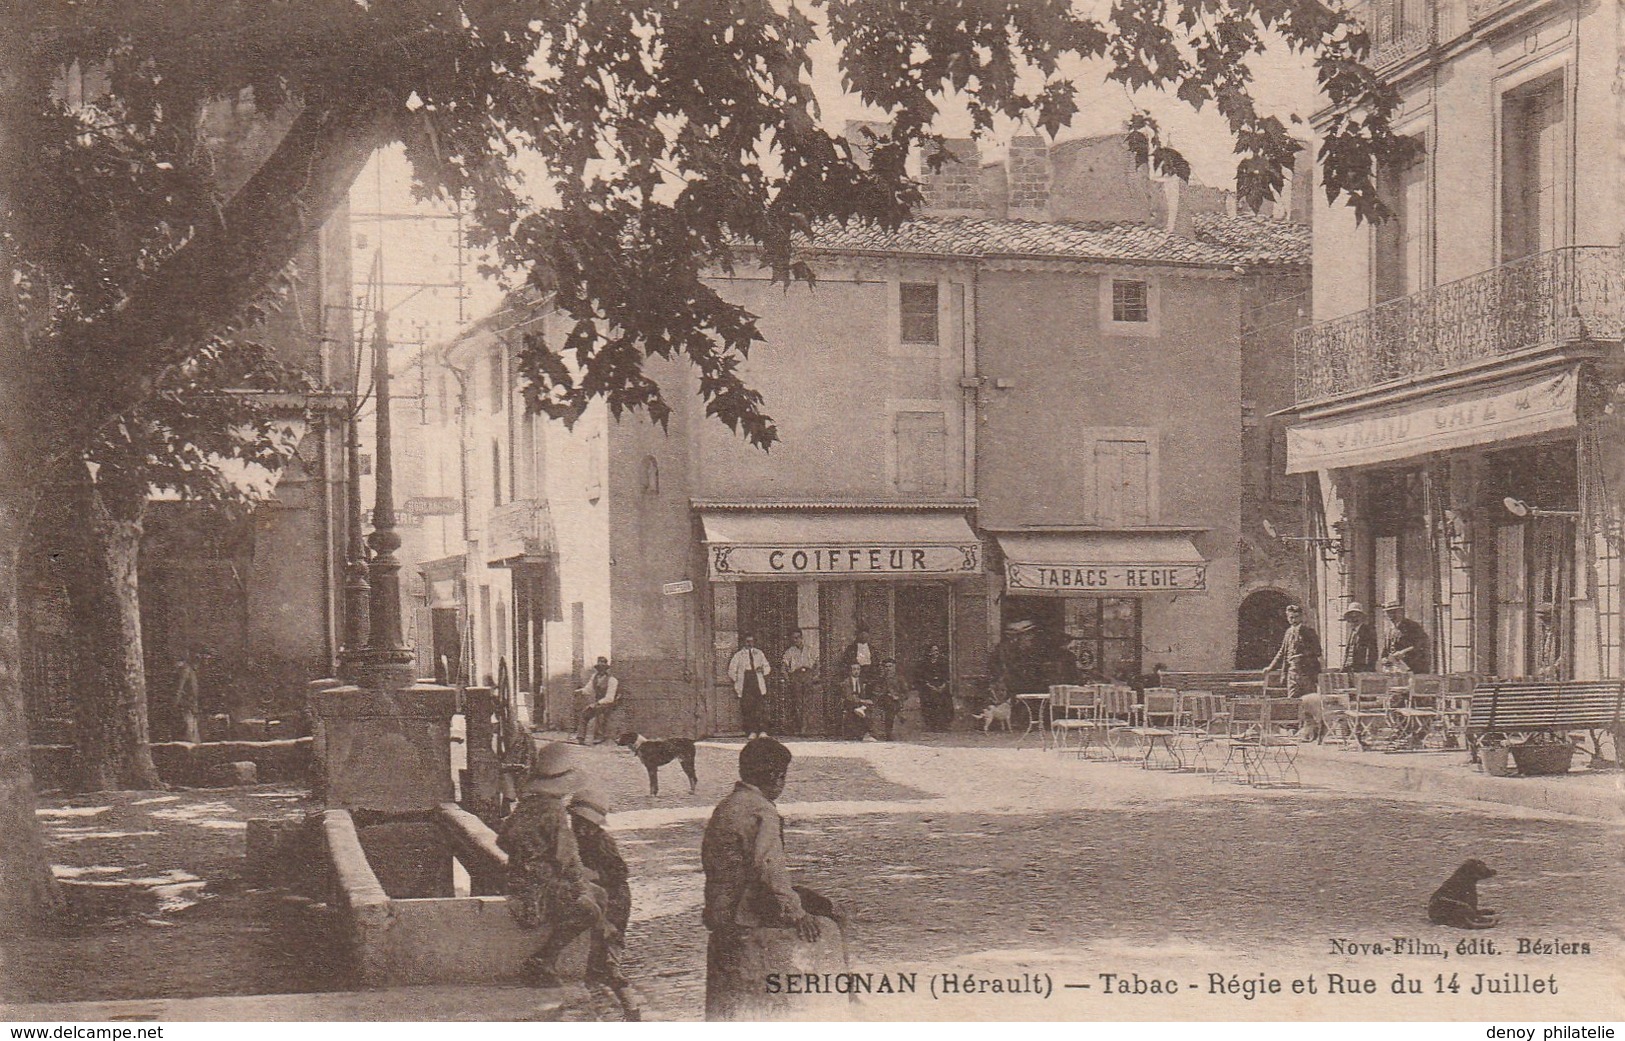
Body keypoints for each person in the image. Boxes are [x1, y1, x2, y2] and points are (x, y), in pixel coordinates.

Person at [702, 738, 830, 1020]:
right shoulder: (762, 810)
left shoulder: (727, 805)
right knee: (830, 914)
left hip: (718, 907)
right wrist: (797, 913)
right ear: (776, 776)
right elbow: (769, 867)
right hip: (743, 910)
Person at [497, 742, 616, 987]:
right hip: (538, 887)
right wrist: (580, 888)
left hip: (518, 878)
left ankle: (597, 962)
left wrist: (528, 854)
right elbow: (567, 860)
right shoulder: (554, 811)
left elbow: (503, 840)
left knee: (599, 896)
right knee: (590, 910)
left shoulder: (526, 806)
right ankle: (545, 959)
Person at [567, 788, 634, 1005]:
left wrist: (595, 875)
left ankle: (615, 973)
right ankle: (599, 972)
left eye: (586, 824)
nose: (581, 828)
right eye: (577, 822)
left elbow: (620, 872)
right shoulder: (572, 839)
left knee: (611, 935)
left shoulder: (603, 842)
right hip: (593, 894)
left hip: (615, 895)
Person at [1263, 603, 1322, 699]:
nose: (1294, 620)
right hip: (1292, 673)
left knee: (1309, 700)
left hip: (1307, 673)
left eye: (1296, 617)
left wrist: (1301, 656)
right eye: (1291, 618)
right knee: (1292, 700)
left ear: (1302, 617)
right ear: (1287, 618)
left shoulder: (1309, 632)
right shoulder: (1288, 632)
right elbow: (1281, 652)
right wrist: (1270, 667)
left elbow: (1318, 651)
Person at [728, 635, 772, 740]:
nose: (749, 643)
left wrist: (763, 669)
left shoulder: (759, 653)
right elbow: (731, 670)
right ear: (744, 642)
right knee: (748, 708)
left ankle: (762, 730)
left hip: (757, 681)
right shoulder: (738, 655)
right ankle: (752, 731)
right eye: (747, 641)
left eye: (751, 641)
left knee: (760, 707)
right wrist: (737, 680)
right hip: (746, 683)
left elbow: (767, 667)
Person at [780, 630, 818, 737]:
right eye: (794, 638)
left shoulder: (810, 650)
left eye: (797, 638)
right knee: (798, 703)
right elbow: (784, 667)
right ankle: (799, 727)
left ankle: (808, 727)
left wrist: (814, 676)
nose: (795, 640)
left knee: (808, 702)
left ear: (802, 638)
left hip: (808, 676)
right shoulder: (790, 651)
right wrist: (788, 679)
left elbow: (817, 664)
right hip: (796, 677)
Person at [576, 657, 621, 745]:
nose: (600, 671)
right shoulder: (594, 677)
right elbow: (589, 689)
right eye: (599, 668)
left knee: (597, 711)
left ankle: (600, 736)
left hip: (610, 703)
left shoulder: (612, 680)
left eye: (602, 668)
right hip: (599, 703)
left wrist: (596, 703)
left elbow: (610, 698)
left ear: (606, 669)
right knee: (585, 713)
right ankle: (581, 737)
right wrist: (580, 691)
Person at [1380, 601, 1432, 674]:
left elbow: (1421, 644)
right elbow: (1386, 649)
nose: (1391, 616)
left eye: (1394, 612)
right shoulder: (1390, 630)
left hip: (1413, 667)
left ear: (1400, 612)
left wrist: (1403, 652)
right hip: (1397, 669)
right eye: (1389, 613)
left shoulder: (1412, 626)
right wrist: (1384, 658)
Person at [869, 658, 908, 741]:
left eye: (890, 666)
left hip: (896, 701)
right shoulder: (880, 679)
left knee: (891, 706)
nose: (888, 669)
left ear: (894, 667)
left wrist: (897, 696)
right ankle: (885, 733)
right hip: (882, 701)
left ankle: (888, 733)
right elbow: (875, 691)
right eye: (886, 667)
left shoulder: (900, 679)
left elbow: (906, 693)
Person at [835, 662, 875, 742]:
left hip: (860, 702)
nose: (856, 671)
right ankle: (864, 733)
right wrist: (862, 701)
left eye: (858, 669)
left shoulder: (863, 681)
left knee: (868, 708)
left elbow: (865, 694)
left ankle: (866, 733)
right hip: (850, 702)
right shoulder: (846, 682)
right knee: (851, 703)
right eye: (854, 669)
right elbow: (848, 696)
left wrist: (865, 700)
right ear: (850, 671)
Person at [915, 643, 951, 731]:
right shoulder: (924, 664)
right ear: (929, 652)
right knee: (931, 702)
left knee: (945, 702)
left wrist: (942, 686)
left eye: (937, 650)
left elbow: (946, 676)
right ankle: (932, 725)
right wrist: (931, 686)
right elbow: (921, 678)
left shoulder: (942, 663)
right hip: (928, 687)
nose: (936, 653)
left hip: (941, 686)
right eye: (934, 650)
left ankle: (943, 725)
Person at [173, 650, 201, 743]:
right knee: (188, 736)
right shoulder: (185, 670)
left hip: (191, 708)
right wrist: (175, 705)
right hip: (185, 708)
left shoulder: (191, 671)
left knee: (193, 735)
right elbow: (179, 689)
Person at [1341, 602, 1378, 673]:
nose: (1353, 619)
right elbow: (1348, 652)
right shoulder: (1352, 632)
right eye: (1351, 617)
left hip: (1362, 669)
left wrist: (1368, 669)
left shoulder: (1368, 631)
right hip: (1349, 669)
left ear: (1362, 617)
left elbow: (1372, 652)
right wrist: (1344, 667)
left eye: (1356, 616)